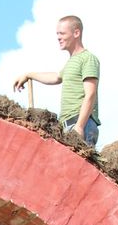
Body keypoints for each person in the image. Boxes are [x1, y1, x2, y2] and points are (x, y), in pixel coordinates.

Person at [12, 15, 101, 146]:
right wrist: (29, 75)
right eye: (57, 34)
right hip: (68, 125)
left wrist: (80, 126)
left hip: (81, 123)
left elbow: (90, 94)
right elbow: (56, 77)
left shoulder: (88, 58)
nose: (58, 37)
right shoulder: (71, 62)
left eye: (62, 33)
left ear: (76, 33)